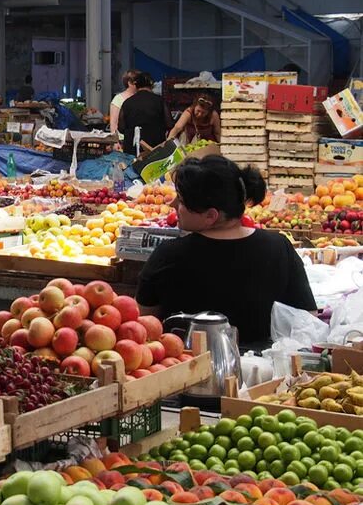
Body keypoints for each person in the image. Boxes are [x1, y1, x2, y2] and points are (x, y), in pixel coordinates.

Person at [138, 156, 315, 350]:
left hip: (186, 370)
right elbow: (307, 320)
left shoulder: (168, 255)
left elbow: (146, 326)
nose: (173, 205)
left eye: (181, 200)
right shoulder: (279, 247)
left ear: (211, 216)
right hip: (268, 372)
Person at [117, 74, 172, 155]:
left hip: (132, 149)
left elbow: (121, 128)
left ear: (136, 86)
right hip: (155, 148)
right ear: (152, 85)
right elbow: (169, 124)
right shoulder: (159, 101)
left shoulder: (127, 103)